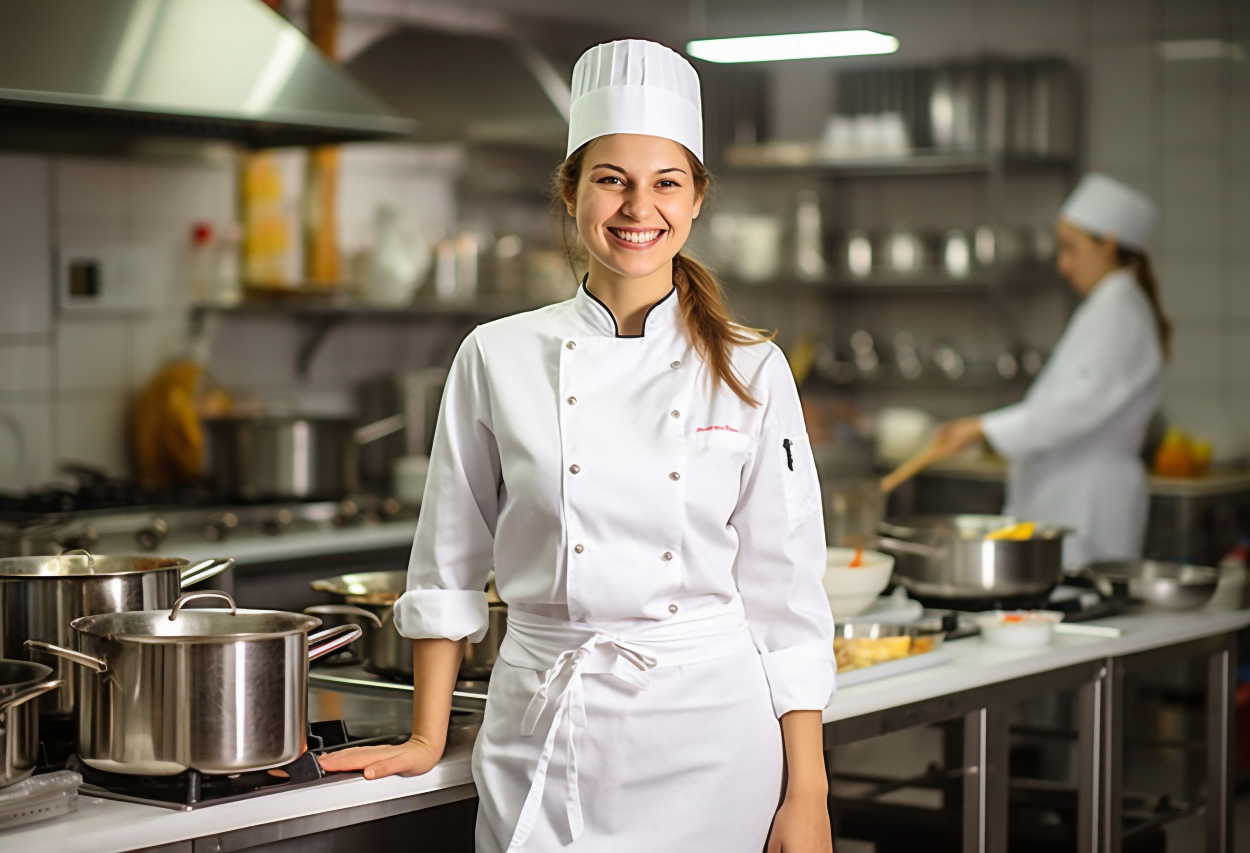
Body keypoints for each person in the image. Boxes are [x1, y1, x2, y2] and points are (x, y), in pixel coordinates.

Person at [317, 40, 837, 852]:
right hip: (542, 721)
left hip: (710, 736)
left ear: (697, 198)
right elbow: (447, 560)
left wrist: (808, 789)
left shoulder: (751, 369)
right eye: (612, 179)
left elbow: (785, 593)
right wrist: (425, 736)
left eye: (666, 182)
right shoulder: (495, 353)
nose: (639, 208)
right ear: (571, 192)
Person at [933, 173, 1169, 568]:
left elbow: (1073, 408)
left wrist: (983, 429)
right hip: (1071, 499)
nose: (1063, 265)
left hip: (1088, 506)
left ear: (1107, 244)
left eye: (1070, 249)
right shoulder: (1107, 307)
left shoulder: (1119, 312)